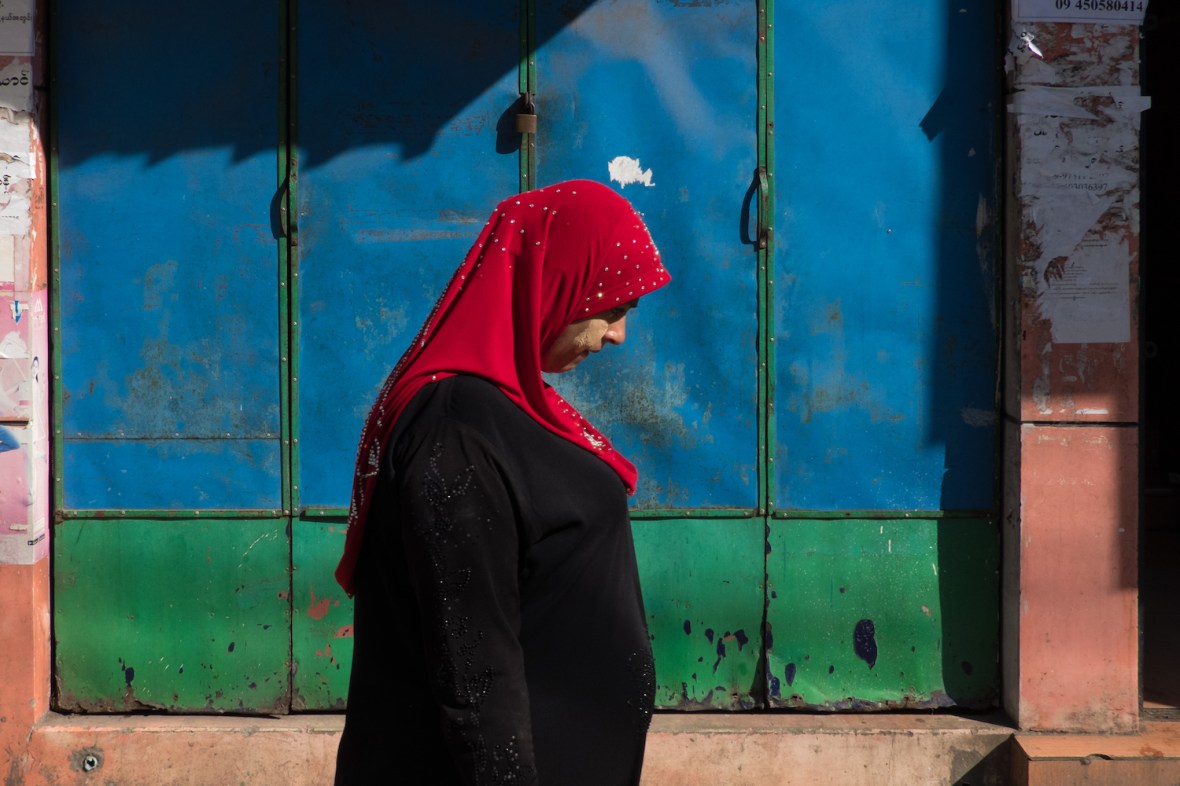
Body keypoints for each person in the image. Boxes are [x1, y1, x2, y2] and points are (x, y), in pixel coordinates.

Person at [333, 180, 672, 785]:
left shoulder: (507, 412)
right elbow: (474, 670)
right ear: (555, 280)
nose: (619, 335)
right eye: (613, 308)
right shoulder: (455, 434)